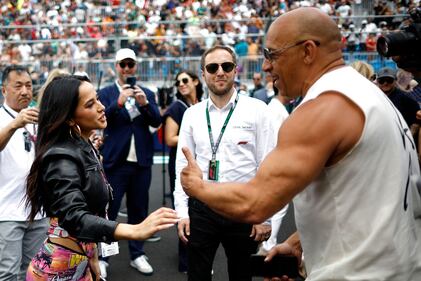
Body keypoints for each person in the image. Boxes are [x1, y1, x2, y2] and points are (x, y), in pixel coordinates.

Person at [180, 7, 421, 280]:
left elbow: (256, 202)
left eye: (272, 54)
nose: (266, 66)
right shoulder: (365, 93)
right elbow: (368, 195)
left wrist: (197, 187)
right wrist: (299, 241)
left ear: (307, 51)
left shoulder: (325, 107)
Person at [25, 75, 178, 281]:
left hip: (82, 261)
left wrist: (93, 257)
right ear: (70, 118)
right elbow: (75, 217)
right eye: (90, 104)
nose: (101, 107)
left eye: (97, 99)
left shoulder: (85, 147)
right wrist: (133, 230)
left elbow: (94, 212)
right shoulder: (61, 156)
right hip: (57, 271)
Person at [174, 45, 275, 281]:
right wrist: (182, 212)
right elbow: (183, 166)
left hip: (242, 207)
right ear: (203, 74)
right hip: (202, 207)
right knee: (197, 275)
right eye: (212, 67)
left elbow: (268, 166)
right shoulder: (192, 114)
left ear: (235, 70)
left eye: (226, 66)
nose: (220, 72)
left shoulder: (258, 110)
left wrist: (265, 217)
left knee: (241, 274)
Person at [97, 48, 162, 277]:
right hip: (116, 162)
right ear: (116, 67)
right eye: (123, 64)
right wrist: (119, 103)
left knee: (139, 210)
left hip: (141, 162)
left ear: (135, 67)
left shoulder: (147, 92)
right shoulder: (105, 93)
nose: (127, 69)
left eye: (130, 65)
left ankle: (137, 254)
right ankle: (103, 257)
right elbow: (101, 121)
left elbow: (157, 120)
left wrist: (144, 104)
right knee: (110, 212)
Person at [0, 65, 49, 281]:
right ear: (4, 90)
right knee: (9, 274)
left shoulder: (37, 119)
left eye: (28, 85)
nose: (24, 91)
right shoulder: (4, 118)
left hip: (37, 211)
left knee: (34, 272)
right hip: (7, 211)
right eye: (17, 86)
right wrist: (15, 124)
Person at [163, 69, 204, 273]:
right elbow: (170, 139)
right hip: (180, 164)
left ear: (196, 81)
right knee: (185, 209)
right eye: (177, 81)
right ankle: (186, 261)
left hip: (200, 164)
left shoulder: (203, 105)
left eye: (185, 80)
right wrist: (198, 136)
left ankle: (197, 255)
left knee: (201, 209)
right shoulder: (176, 107)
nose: (181, 84)